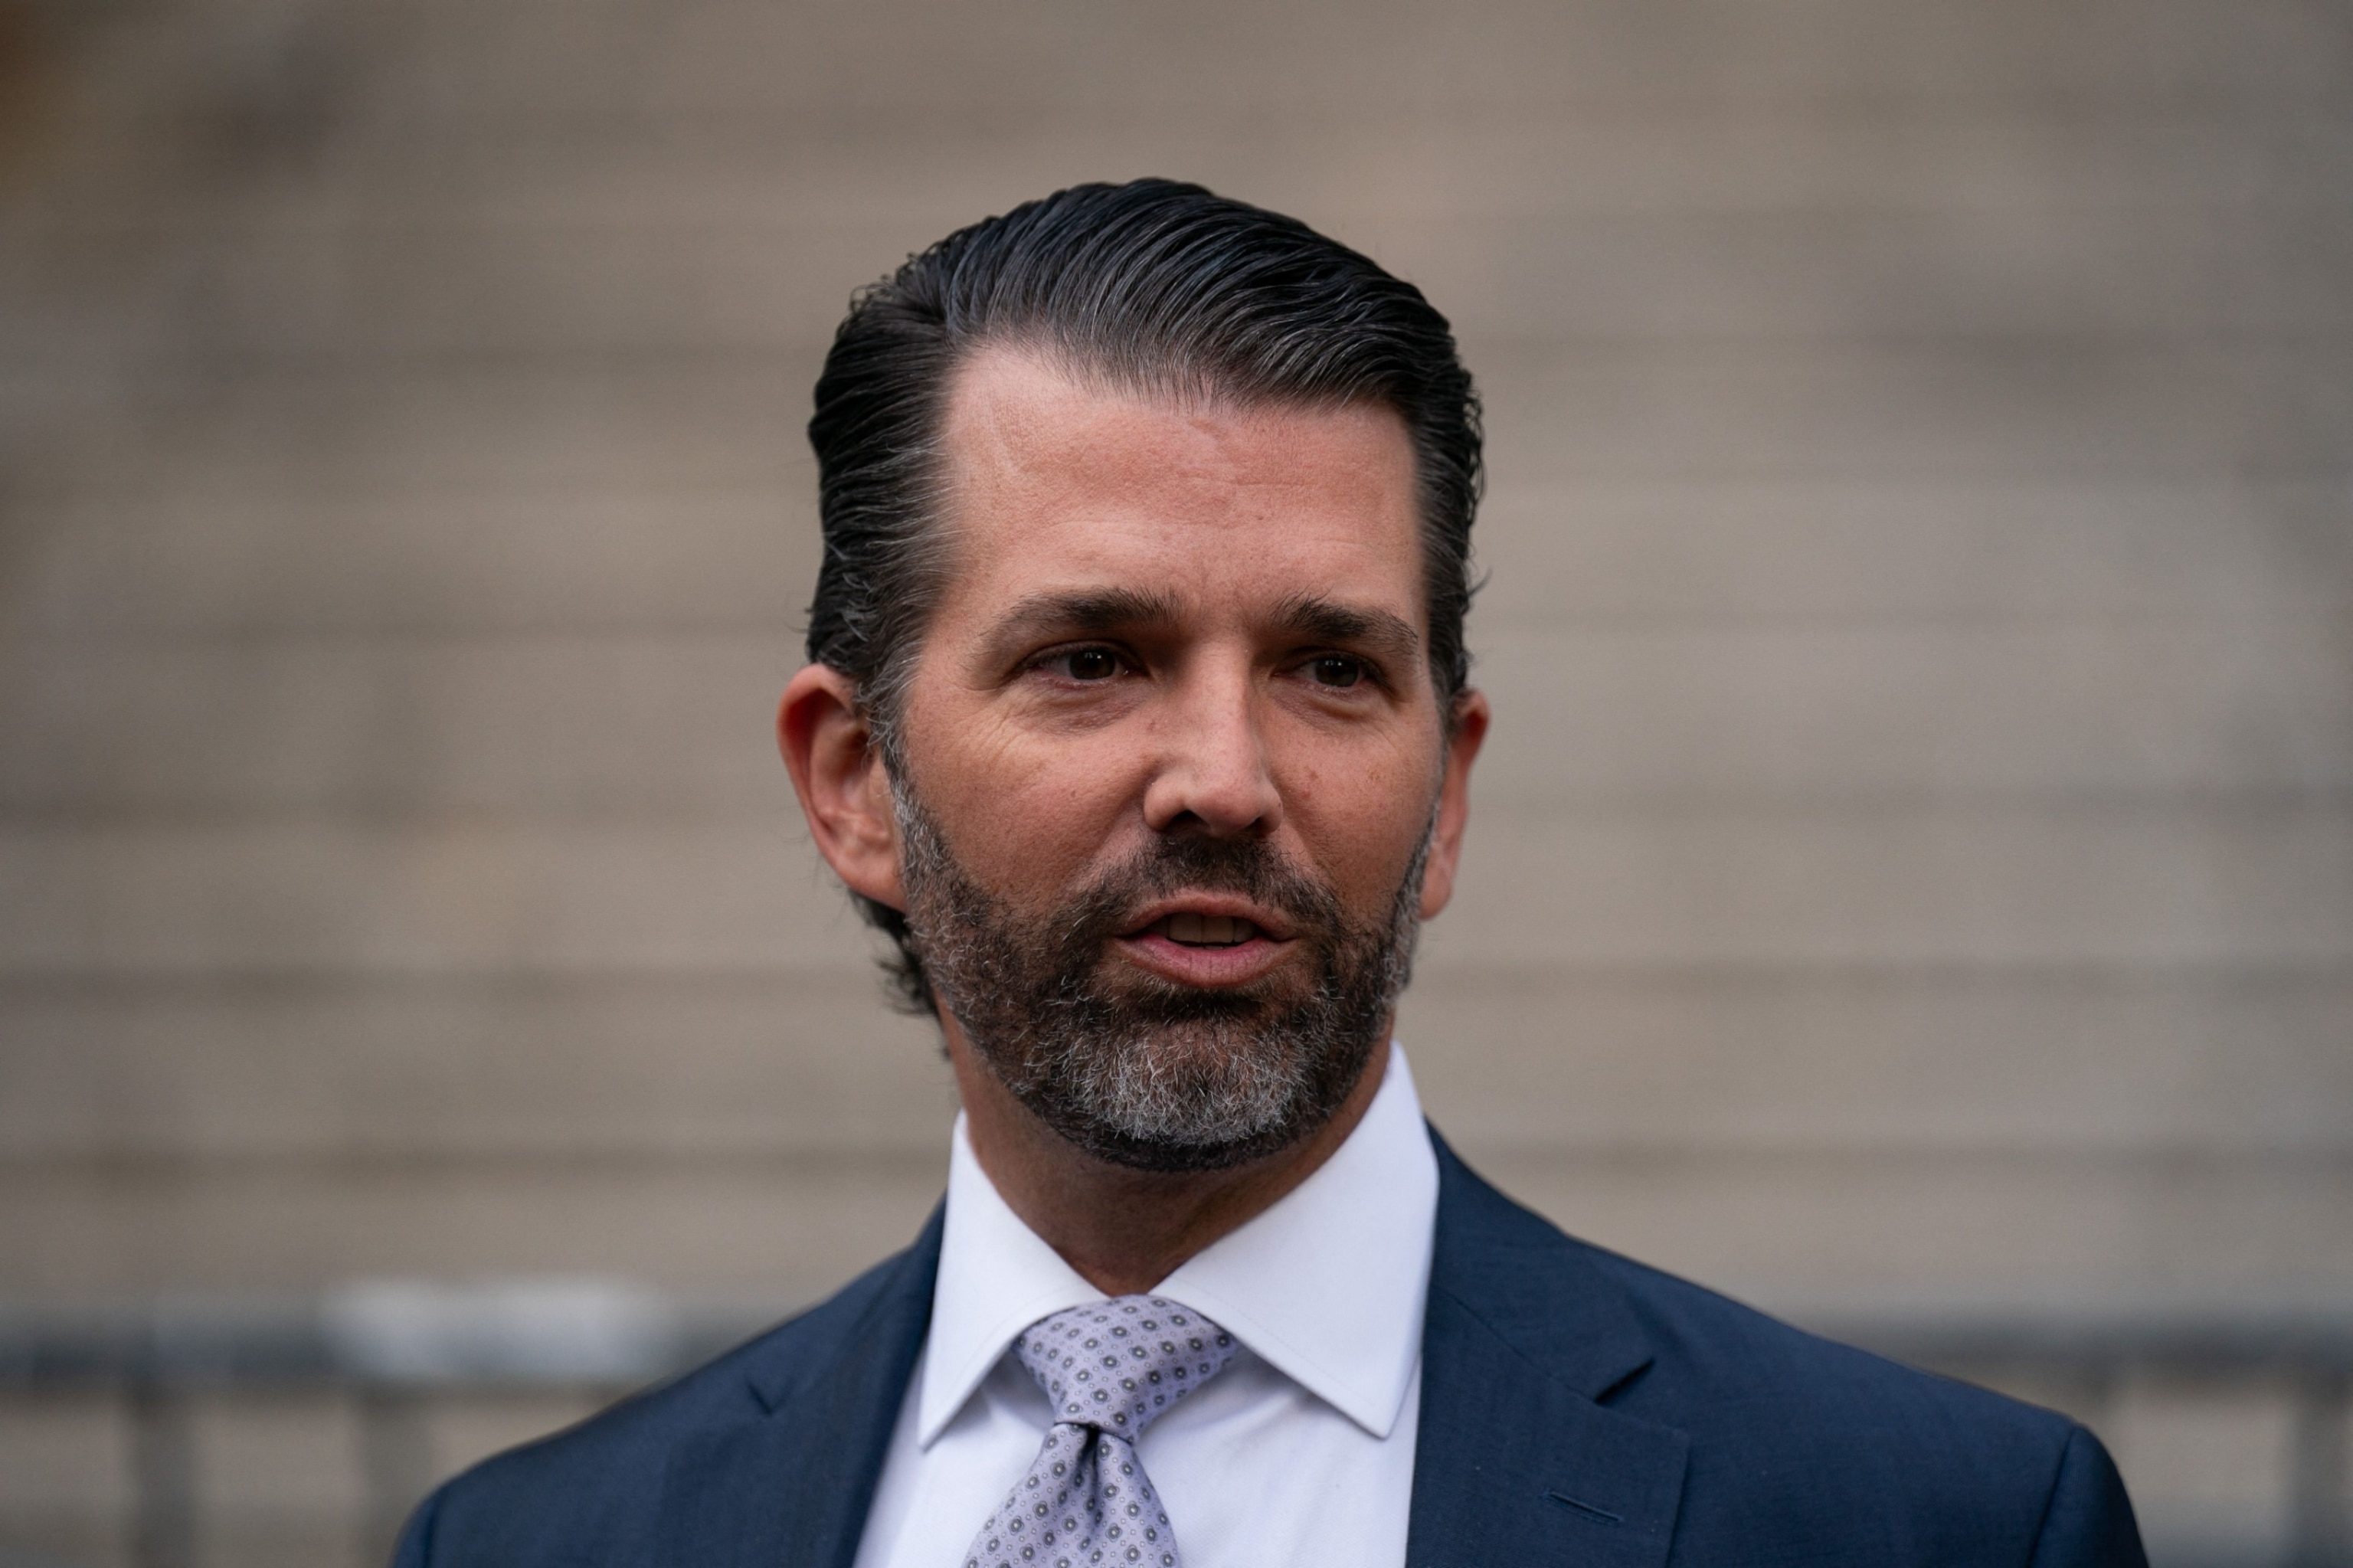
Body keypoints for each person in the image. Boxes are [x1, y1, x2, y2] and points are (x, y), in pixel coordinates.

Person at [391, 179, 2146, 1568]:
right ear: (857, 783)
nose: (1226, 780)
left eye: (1330, 669)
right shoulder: (539, 1543)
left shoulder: (1936, 1527)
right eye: (1090, 657)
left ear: (1446, 795)